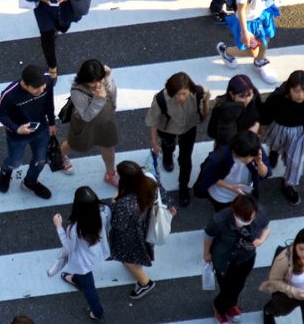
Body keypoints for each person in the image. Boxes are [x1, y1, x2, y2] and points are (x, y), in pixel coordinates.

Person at [109, 161, 176, 300]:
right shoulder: (151, 181)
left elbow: (118, 225)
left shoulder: (125, 203)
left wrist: (114, 203)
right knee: (140, 251)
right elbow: (164, 197)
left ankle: (145, 282)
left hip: (131, 234)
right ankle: (139, 264)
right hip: (148, 226)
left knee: (126, 259)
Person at [203, 194, 271, 324]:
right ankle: (221, 306)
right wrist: (206, 253)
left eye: (248, 219)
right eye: (241, 219)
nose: (244, 222)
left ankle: (229, 304)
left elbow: (266, 228)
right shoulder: (219, 219)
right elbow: (208, 235)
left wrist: (261, 240)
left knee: (239, 284)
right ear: (233, 210)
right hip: (223, 258)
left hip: (246, 256)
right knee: (227, 286)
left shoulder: (260, 212)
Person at [144, 72, 210, 206]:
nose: (180, 97)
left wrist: (205, 113)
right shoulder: (161, 99)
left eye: (184, 93)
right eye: (177, 94)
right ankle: (167, 156)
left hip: (189, 127)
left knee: (186, 158)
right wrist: (154, 141)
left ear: (189, 90)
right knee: (168, 146)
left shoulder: (197, 91)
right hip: (167, 128)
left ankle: (183, 187)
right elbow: (153, 121)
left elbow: (206, 96)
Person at [20, 0, 91, 85]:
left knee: (64, 27)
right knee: (47, 38)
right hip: (44, 10)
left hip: (66, 9)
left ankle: (57, 29)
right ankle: (52, 67)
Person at [261, 70, 304, 205]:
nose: (301, 95)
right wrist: (262, 127)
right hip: (279, 127)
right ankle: (274, 153)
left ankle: (287, 184)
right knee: (275, 144)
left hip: (299, 133)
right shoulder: (277, 97)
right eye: (297, 91)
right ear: (289, 89)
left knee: (296, 162)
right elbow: (266, 113)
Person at [0, 65, 56, 199]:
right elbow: (0, 114)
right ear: (24, 83)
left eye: (43, 87)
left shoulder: (46, 83)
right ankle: (6, 171)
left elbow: (49, 103)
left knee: (40, 160)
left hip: (41, 130)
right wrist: (16, 128)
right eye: (36, 88)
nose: (41, 91)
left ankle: (30, 182)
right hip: (18, 136)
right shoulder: (9, 94)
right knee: (15, 162)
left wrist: (51, 122)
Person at [59, 59, 120, 187]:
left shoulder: (107, 74)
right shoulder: (77, 90)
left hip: (106, 119)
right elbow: (86, 116)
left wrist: (112, 107)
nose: (98, 85)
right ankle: (59, 157)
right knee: (73, 145)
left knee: (109, 146)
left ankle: (110, 173)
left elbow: (113, 92)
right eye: (92, 83)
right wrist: (98, 99)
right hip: (86, 124)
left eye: (100, 81)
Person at [217, 0, 280, 85]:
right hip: (249, 22)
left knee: (266, 40)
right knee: (253, 51)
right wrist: (245, 31)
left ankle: (260, 61)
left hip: (265, 12)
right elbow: (241, 10)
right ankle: (227, 52)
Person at [53, 186, 110, 320]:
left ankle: (97, 312)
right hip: (96, 251)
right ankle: (76, 279)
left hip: (82, 260)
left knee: (89, 286)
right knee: (84, 278)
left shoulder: (75, 227)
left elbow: (69, 247)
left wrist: (58, 226)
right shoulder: (102, 213)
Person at [260, 228, 304, 324]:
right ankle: (267, 311)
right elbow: (274, 281)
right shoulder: (284, 259)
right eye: (301, 249)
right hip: (288, 292)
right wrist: (296, 292)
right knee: (278, 310)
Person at [194, 131, 271, 212]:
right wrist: (231, 188)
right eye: (247, 157)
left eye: (252, 157)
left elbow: (264, 174)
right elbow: (209, 178)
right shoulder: (217, 158)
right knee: (224, 213)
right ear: (235, 152)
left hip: (243, 192)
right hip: (221, 195)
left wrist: (259, 162)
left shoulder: (254, 150)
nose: (250, 160)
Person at [211, 74, 263, 147]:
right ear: (231, 94)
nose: (247, 100)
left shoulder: (255, 96)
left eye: (249, 95)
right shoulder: (222, 108)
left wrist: (257, 124)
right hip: (231, 145)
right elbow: (212, 132)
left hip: (250, 140)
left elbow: (261, 112)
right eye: (242, 96)